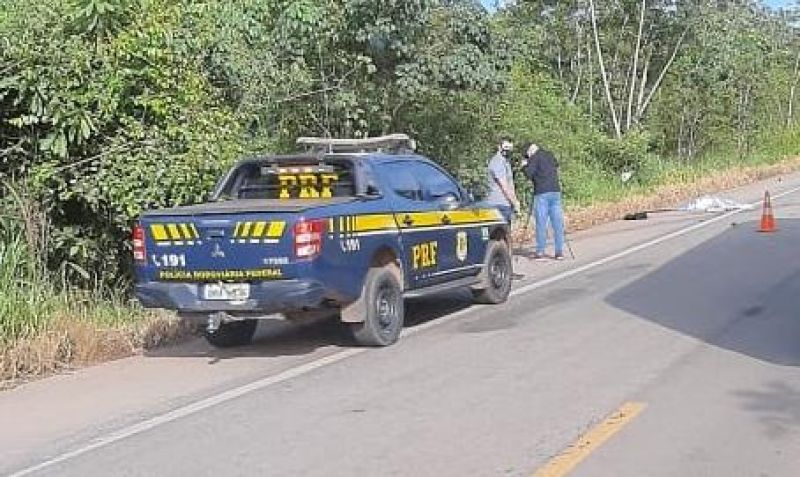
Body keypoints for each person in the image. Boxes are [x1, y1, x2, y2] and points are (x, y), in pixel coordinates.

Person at [522, 143, 566, 260]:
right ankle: (559, 252)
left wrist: (524, 166)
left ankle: (540, 251)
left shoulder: (534, 157)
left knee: (541, 223)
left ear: (530, 150)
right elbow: (556, 165)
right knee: (557, 223)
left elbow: (529, 174)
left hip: (542, 193)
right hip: (555, 191)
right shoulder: (549, 154)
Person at [486, 139, 521, 225]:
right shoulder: (498, 162)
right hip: (498, 204)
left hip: (505, 204)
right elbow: (504, 186)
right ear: (499, 147)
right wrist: (515, 202)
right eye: (505, 147)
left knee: (506, 234)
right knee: (501, 235)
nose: (507, 150)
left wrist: (514, 200)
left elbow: (510, 185)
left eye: (510, 148)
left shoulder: (505, 162)